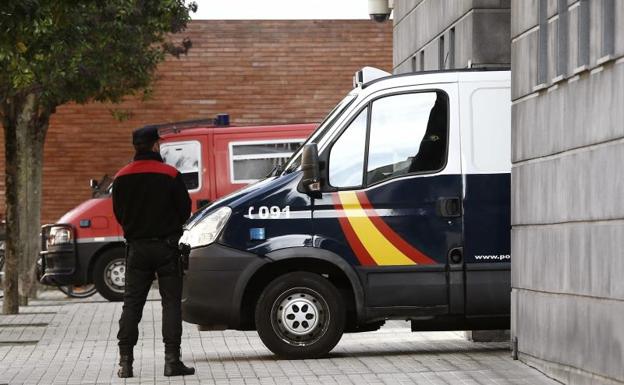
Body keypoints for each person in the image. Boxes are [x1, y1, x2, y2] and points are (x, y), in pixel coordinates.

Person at [112, 125, 194, 378]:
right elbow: (184, 210)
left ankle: (125, 363)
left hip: (136, 249)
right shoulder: (170, 174)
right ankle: (172, 361)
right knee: (171, 304)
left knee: (132, 305)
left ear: (135, 146)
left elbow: (119, 214)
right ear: (156, 145)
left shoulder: (121, 177)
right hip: (166, 247)